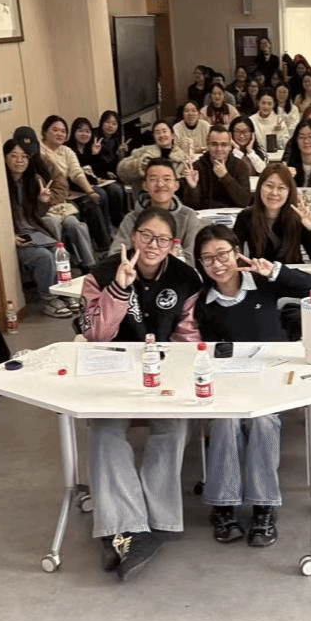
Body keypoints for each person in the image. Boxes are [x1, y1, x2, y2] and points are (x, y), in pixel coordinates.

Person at [79, 209, 199, 581]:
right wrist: (119, 288)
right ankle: (126, 526)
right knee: (105, 431)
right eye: (146, 235)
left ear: (173, 244)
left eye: (162, 239)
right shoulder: (100, 274)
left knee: (173, 427)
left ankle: (155, 522)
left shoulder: (185, 278)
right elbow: (95, 334)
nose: (152, 245)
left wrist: (176, 376)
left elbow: (188, 336)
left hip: (162, 372)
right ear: (133, 236)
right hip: (112, 371)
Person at [193, 225, 311, 547]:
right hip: (228, 382)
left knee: (264, 422)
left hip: (271, 379)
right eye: (208, 258)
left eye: (223, 254)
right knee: (226, 423)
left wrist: (276, 271)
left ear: (237, 252)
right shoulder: (204, 302)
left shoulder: (263, 283)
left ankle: (264, 507)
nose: (217, 264)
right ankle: (223, 505)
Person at [0, 138, 73, 318]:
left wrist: (43, 201)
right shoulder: (0, 183)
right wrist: (9, 236)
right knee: (43, 257)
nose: (20, 160)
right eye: (14, 156)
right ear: (5, 158)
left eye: (24, 156)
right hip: (16, 235)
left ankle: (64, 293)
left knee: (60, 252)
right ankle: (49, 300)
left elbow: (37, 214)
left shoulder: (32, 180)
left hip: (34, 231)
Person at [14, 125, 97, 272]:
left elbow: (61, 185)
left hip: (56, 206)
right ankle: (62, 267)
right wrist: (41, 202)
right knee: (52, 224)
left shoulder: (44, 162)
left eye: (27, 155)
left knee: (75, 225)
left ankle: (90, 266)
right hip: (37, 214)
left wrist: (49, 199)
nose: (22, 159)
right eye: (19, 155)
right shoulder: (13, 174)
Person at [37, 115, 113, 252]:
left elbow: (77, 173)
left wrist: (90, 191)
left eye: (63, 131)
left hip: (69, 193)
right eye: (55, 130)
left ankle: (105, 246)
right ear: (44, 132)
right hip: (50, 198)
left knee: (96, 199)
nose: (60, 134)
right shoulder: (39, 152)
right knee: (87, 208)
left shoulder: (66, 151)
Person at [110, 160, 202, 260]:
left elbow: (191, 258)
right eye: (153, 179)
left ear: (176, 185)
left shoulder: (188, 216)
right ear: (145, 185)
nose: (160, 184)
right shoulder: (132, 218)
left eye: (166, 179)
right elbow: (115, 255)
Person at [233, 163, 311, 264]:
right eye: (269, 186)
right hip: (260, 272)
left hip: (291, 272)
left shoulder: (298, 217)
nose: (274, 193)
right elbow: (235, 254)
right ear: (260, 187)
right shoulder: (245, 217)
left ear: (289, 192)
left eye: (281, 188)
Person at [179, 125, 251, 211]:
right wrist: (193, 188)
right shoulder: (196, 167)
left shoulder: (240, 166)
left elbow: (244, 201)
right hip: (204, 215)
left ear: (230, 147)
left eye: (223, 145)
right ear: (208, 145)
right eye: (214, 144)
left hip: (233, 215)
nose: (219, 149)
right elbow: (191, 206)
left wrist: (225, 176)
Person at [117, 118, 192, 185]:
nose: (161, 135)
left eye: (164, 131)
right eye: (157, 132)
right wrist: (139, 164)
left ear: (172, 135)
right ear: (154, 136)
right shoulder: (144, 151)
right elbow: (121, 171)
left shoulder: (182, 157)